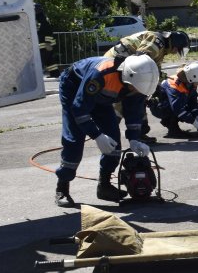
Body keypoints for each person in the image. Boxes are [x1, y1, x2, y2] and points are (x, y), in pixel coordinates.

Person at [53, 53, 159, 208]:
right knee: (75, 139)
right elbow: (79, 109)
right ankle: (62, 188)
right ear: (127, 77)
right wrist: (97, 136)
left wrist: (135, 139)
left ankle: (104, 186)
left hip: (102, 97)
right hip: (74, 87)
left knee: (113, 140)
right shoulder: (102, 74)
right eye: (134, 88)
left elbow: (134, 112)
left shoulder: (139, 84)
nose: (136, 91)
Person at [104, 29, 190, 143]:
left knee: (139, 98)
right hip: (116, 67)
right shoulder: (156, 42)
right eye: (177, 49)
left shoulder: (160, 48)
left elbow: (154, 68)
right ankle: (110, 136)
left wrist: (157, 86)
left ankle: (139, 133)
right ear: (174, 45)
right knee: (124, 102)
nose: (175, 52)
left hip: (124, 67)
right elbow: (141, 61)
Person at [150, 61, 198, 137]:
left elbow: (193, 102)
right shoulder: (175, 86)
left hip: (173, 105)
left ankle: (171, 123)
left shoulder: (191, 83)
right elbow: (177, 109)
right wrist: (194, 122)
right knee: (175, 110)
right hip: (159, 108)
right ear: (193, 77)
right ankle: (173, 129)